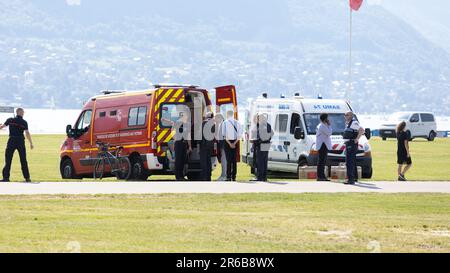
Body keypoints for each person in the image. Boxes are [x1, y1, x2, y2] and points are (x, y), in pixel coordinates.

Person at [0, 108, 34, 182]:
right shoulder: (24, 122)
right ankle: (27, 178)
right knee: (23, 160)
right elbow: (27, 133)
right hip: (20, 141)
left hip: (11, 140)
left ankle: (6, 178)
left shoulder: (10, 120)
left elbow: (2, 127)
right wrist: (31, 143)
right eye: (22, 112)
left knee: (8, 159)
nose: (23, 114)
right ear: (20, 112)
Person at [163, 112, 192, 181]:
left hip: (184, 143)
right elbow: (172, 131)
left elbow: (188, 135)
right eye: (185, 116)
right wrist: (175, 138)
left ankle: (181, 176)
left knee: (182, 160)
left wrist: (190, 146)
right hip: (178, 143)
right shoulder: (177, 123)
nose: (187, 117)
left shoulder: (187, 124)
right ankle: (178, 176)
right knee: (178, 160)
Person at [343, 111, 365, 185]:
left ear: (351, 116)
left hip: (351, 144)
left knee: (349, 162)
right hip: (349, 143)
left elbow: (362, 130)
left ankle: (350, 179)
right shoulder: (348, 123)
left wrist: (357, 138)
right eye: (345, 115)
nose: (345, 116)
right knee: (352, 161)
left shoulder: (353, 123)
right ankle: (354, 177)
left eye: (347, 115)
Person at [222, 110, 242, 181]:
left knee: (228, 160)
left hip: (227, 142)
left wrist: (230, 144)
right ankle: (234, 176)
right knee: (234, 160)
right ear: (232, 114)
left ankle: (228, 177)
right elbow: (239, 135)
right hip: (235, 142)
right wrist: (234, 143)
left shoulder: (225, 123)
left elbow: (224, 135)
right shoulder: (238, 122)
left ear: (227, 114)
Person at [254, 114, 273, 182]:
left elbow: (260, 136)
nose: (258, 120)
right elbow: (272, 134)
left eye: (259, 119)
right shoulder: (268, 125)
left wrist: (255, 141)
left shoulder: (261, 126)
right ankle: (264, 177)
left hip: (261, 144)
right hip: (267, 144)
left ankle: (260, 177)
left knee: (260, 162)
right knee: (265, 161)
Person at [316, 113, 332, 181]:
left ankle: (322, 176)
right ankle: (320, 176)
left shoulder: (322, 125)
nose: (328, 119)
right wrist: (329, 125)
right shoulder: (322, 126)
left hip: (323, 144)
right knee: (322, 161)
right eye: (327, 118)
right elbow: (329, 133)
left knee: (322, 161)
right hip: (323, 144)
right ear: (325, 119)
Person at [200, 112, 215, 181]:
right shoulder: (213, 124)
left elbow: (200, 134)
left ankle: (204, 176)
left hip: (203, 144)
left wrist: (198, 143)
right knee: (209, 161)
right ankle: (209, 176)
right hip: (210, 145)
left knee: (204, 161)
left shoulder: (203, 123)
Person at [215, 113, 227, 181]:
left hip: (224, 145)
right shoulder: (222, 124)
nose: (215, 120)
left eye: (216, 118)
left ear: (219, 118)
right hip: (222, 145)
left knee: (224, 160)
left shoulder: (223, 124)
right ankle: (223, 174)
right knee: (223, 160)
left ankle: (224, 175)